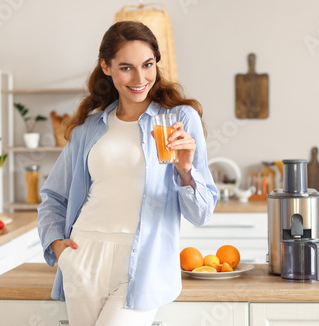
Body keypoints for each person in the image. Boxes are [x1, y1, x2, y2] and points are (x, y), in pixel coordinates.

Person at [37, 21, 218, 326]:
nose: (140, 78)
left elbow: (202, 214)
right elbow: (53, 196)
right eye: (126, 67)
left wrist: (186, 171)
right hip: (83, 255)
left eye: (148, 65)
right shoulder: (88, 129)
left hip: (144, 263)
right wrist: (58, 246)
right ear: (106, 67)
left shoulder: (179, 119)